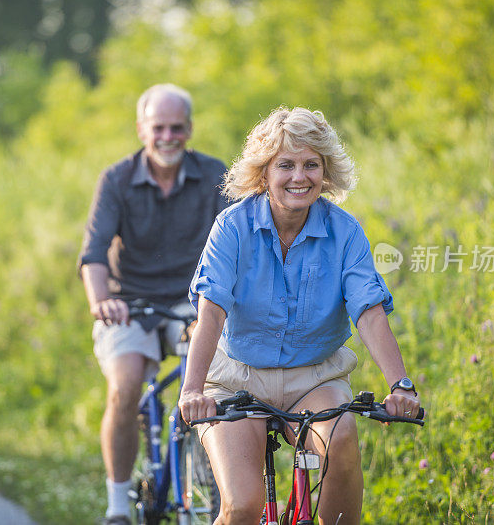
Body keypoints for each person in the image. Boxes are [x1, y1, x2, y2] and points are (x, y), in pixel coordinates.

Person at [178, 107, 421, 525]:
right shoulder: (231, 227)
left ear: (325, 173)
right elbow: (211, 312)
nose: (299, 177)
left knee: (341, 437)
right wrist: (192, 390)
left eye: (312, 165)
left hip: (315, 377)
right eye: (285, 165)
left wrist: (400, 385)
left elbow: (369, 311)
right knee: (242, 507)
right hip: (236, 376)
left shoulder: (345, 232)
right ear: (263, 174)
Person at [78, 84, 228, 525]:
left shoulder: (214, 174)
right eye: (158, 127)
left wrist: (218, 302)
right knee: (125, 387)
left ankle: (225, 494)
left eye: (176, 127)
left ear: (189, 129)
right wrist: (102, 300)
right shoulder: (117, 179)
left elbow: (242, 241)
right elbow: (93, 254)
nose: (168, 136)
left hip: (195, 302)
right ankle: (118, 505)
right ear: (142, 129)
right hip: (130, 304)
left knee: (217, 389)